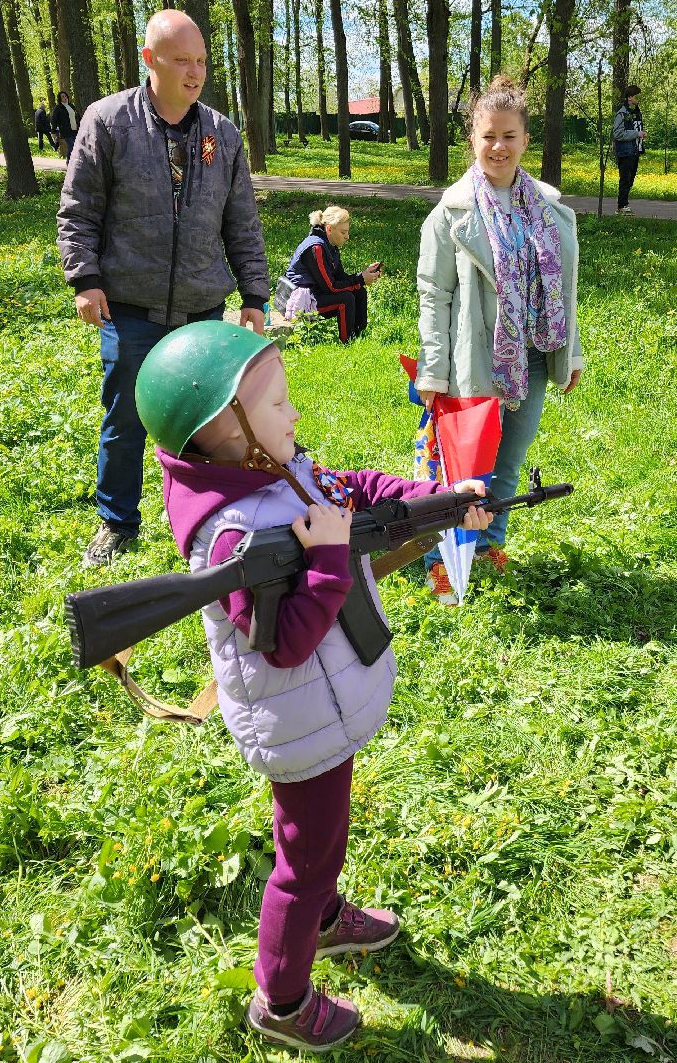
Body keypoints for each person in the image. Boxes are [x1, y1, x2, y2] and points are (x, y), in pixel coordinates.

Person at [137, 321, 492, 1051]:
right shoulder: (232, 536)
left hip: (323, 708)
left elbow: (354, 490)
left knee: (322, 839)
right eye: (277, 405)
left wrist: (442, 498)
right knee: (304, 863)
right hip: (298, 714)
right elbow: (289, 644)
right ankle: (282, 1001)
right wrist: (329, 561)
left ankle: (326, 921)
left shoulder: (273, 464)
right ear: (224, 432)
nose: (294, 414)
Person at [57, 9, 268, 569]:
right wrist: (85, 278)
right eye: (182, 60)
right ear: (149, 60)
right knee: (125, 418)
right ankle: (117, 522)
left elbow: (241, 221)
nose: (195, 71)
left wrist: (253, 295)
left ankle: (207, 520)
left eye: (201, 60)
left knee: (207, 420)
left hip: (203, 305)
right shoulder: (107, 122)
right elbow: (78, 210)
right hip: (130, 305)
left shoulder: (223, 134)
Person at [414, 74, 583, 604]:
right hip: (473, 358)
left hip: (531, 357)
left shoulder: (551, 210)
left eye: (509, 136)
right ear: (473, 140)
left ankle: (488, 546)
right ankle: (439, 559)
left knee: (508, 463)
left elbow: (564, 287)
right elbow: (433, 293)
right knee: (463, 465)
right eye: (488, 136)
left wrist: (570, 352)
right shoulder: (452, 212)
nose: (498, 147)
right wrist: (433, 370)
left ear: (525, 140)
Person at [278, 206, 381, 342]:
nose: (347, 236)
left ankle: (359, 335)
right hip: (299, 301)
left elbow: (340, 277)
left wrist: (362, 275)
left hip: (315, 294)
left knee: (359, 292)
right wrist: (360, 280)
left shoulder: (330, 245)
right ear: (329, 229)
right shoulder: (317, 248)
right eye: (343, 232)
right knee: (346, 299)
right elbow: (331, 287)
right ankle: (347, 342)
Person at [611, 85, 645, 215]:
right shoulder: (622, 113)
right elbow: (618, 134)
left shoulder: (636, 112)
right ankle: (622, 206)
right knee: (625, 180)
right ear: (630, 97)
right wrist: (636, 134)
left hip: (635, 151)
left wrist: (641, 134)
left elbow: (636, 129)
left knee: (630, 180)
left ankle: (624, 205)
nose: (639, 99)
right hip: (625, 152)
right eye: (637, 96)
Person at [52, 90, 78, 160]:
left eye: (65, 96)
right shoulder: (58, 108)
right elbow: (54, 119)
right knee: (73, 147)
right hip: (66, 131)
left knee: (72, 148)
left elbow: (77, 116)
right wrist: (53, 131)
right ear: (60, 99)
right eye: (63, 97)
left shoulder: (71, 106)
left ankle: (68, 162)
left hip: (75, 130)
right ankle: (73, 165)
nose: (65, 97)